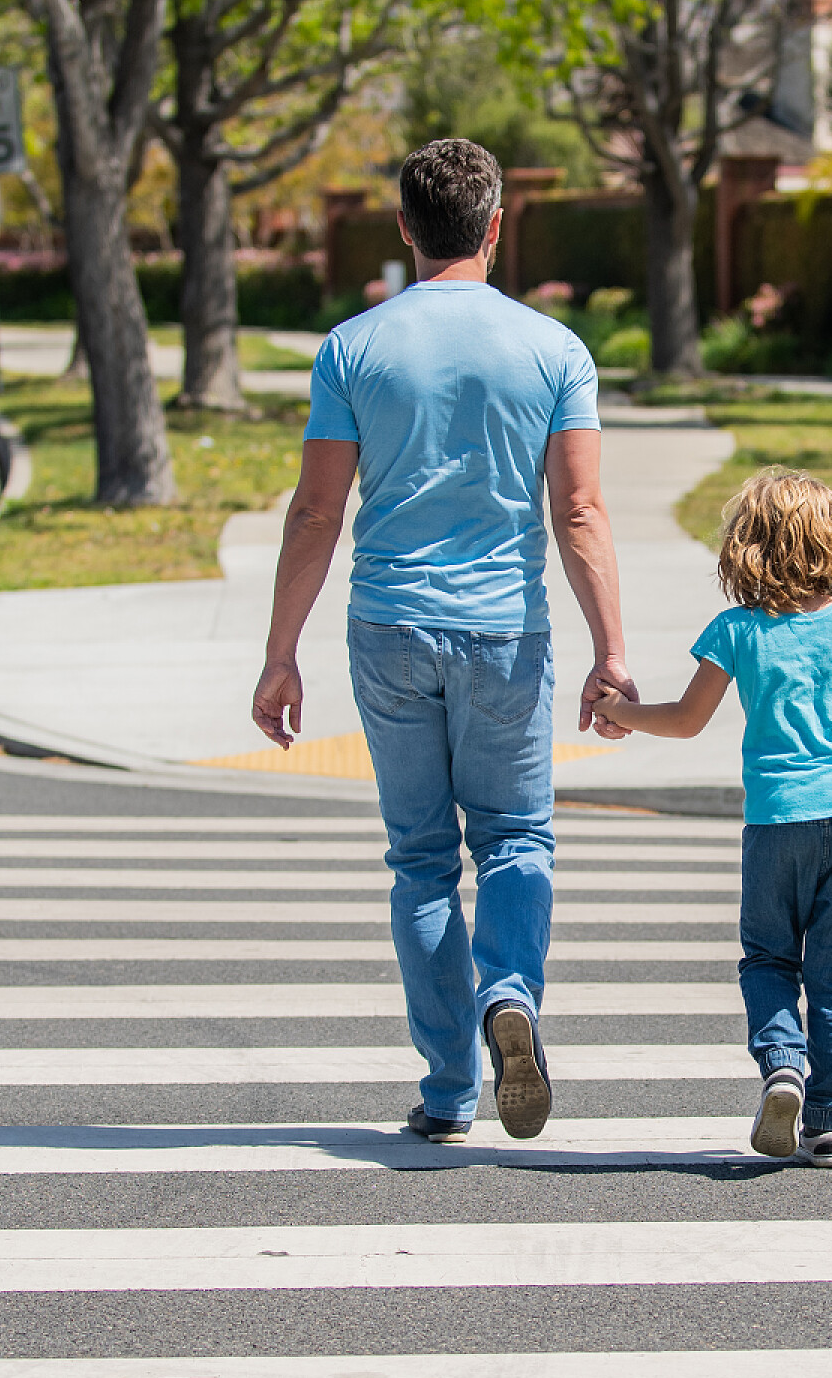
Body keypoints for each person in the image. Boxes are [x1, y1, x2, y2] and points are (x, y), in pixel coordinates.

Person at [250, 138, 636, 1142]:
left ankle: (448, 1089)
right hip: (506, 628)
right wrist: (612, 650)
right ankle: (509, 995)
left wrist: (280, 650)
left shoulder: (351, 348)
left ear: (405, 228)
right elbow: (582, 512)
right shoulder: (556, 352)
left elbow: (315, 513)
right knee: (514, 839)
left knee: (421, 862)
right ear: (497, 226)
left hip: (388, 626)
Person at [590, 468, 832, 1167]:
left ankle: (783, 1064)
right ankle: (827, 1120)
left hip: (777, 824)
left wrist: (618, 712)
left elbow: (689, 721)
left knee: (770, 958)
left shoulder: (736, 630)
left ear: (746, 550)